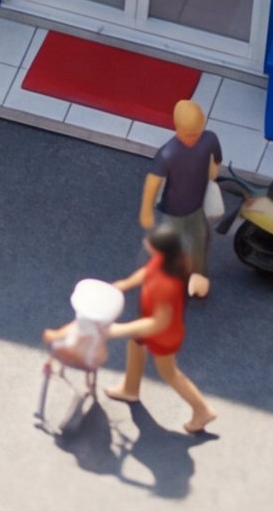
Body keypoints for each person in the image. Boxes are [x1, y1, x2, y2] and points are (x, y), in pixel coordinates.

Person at [113, 227, 218, 439]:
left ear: (159, 248)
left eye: (149, 241)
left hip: (163, 335)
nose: (145, 242)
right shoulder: (166, 260)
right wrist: (124, 284)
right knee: (135, 345)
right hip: (149, 321)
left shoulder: (166, 285)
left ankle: (202, 411)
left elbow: (157, 324)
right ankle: (130, 389)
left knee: (169, 373)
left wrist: (118, 329)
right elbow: (146, 272)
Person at [141, 95, 223, 296]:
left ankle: (198, 277)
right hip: (174, 210)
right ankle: (163, 273)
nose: (194, 137)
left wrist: (212, 173)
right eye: (189, 134)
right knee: (172, 243)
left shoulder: (209, 139)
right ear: (177, 128)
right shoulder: (168, 153)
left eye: (197, 132)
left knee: (201, 238)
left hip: (196, 206)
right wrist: (146, 210)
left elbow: (216, 160)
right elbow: (153, 182)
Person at [38, 273, 124, 435]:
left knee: (58, 347)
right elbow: (102, 354)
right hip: (87, 362)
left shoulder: (79, 322)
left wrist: (51, 335)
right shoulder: (101, 330)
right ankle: (89, 385)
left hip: (64, 353)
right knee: (93, 363)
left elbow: (60, 333)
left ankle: (60, 369)